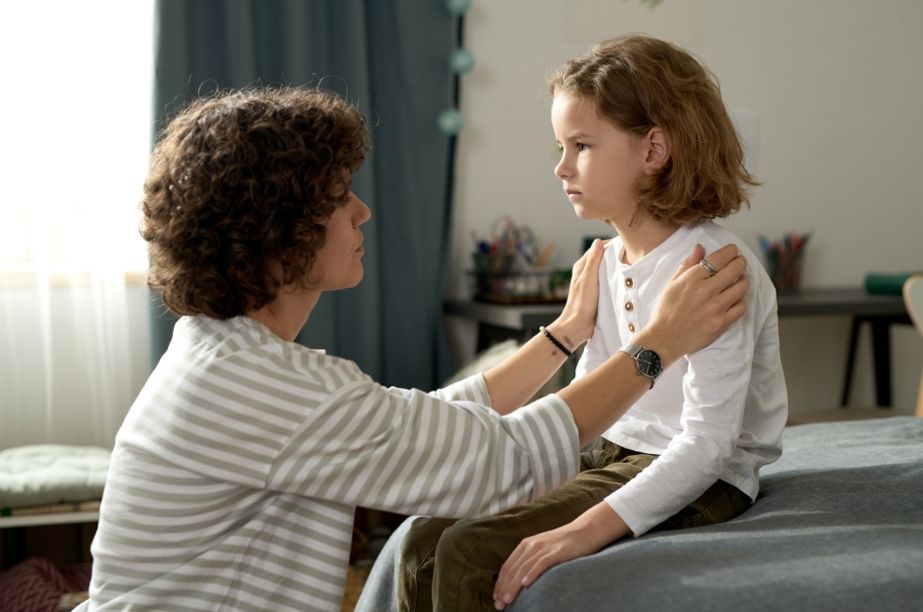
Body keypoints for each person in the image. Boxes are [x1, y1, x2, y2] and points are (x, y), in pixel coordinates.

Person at [76, 86, 748, 612]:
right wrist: (659, 343)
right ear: (281, 231)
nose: (362, 212)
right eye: (341, 198)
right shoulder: (253, 386)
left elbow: (420, 425)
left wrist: (563, 337)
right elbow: (493, 462)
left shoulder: (223, 353)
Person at [389, 34, 788, 612]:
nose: (561, 167)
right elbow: (597, 397)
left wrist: (582, 530)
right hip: (612, 450)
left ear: (654, 150)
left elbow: (708, 443)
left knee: (471, 551)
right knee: (425, 536)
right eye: (561, 145)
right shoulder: (602, 260)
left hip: (703, 472)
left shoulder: (714, 269)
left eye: (581, 145)